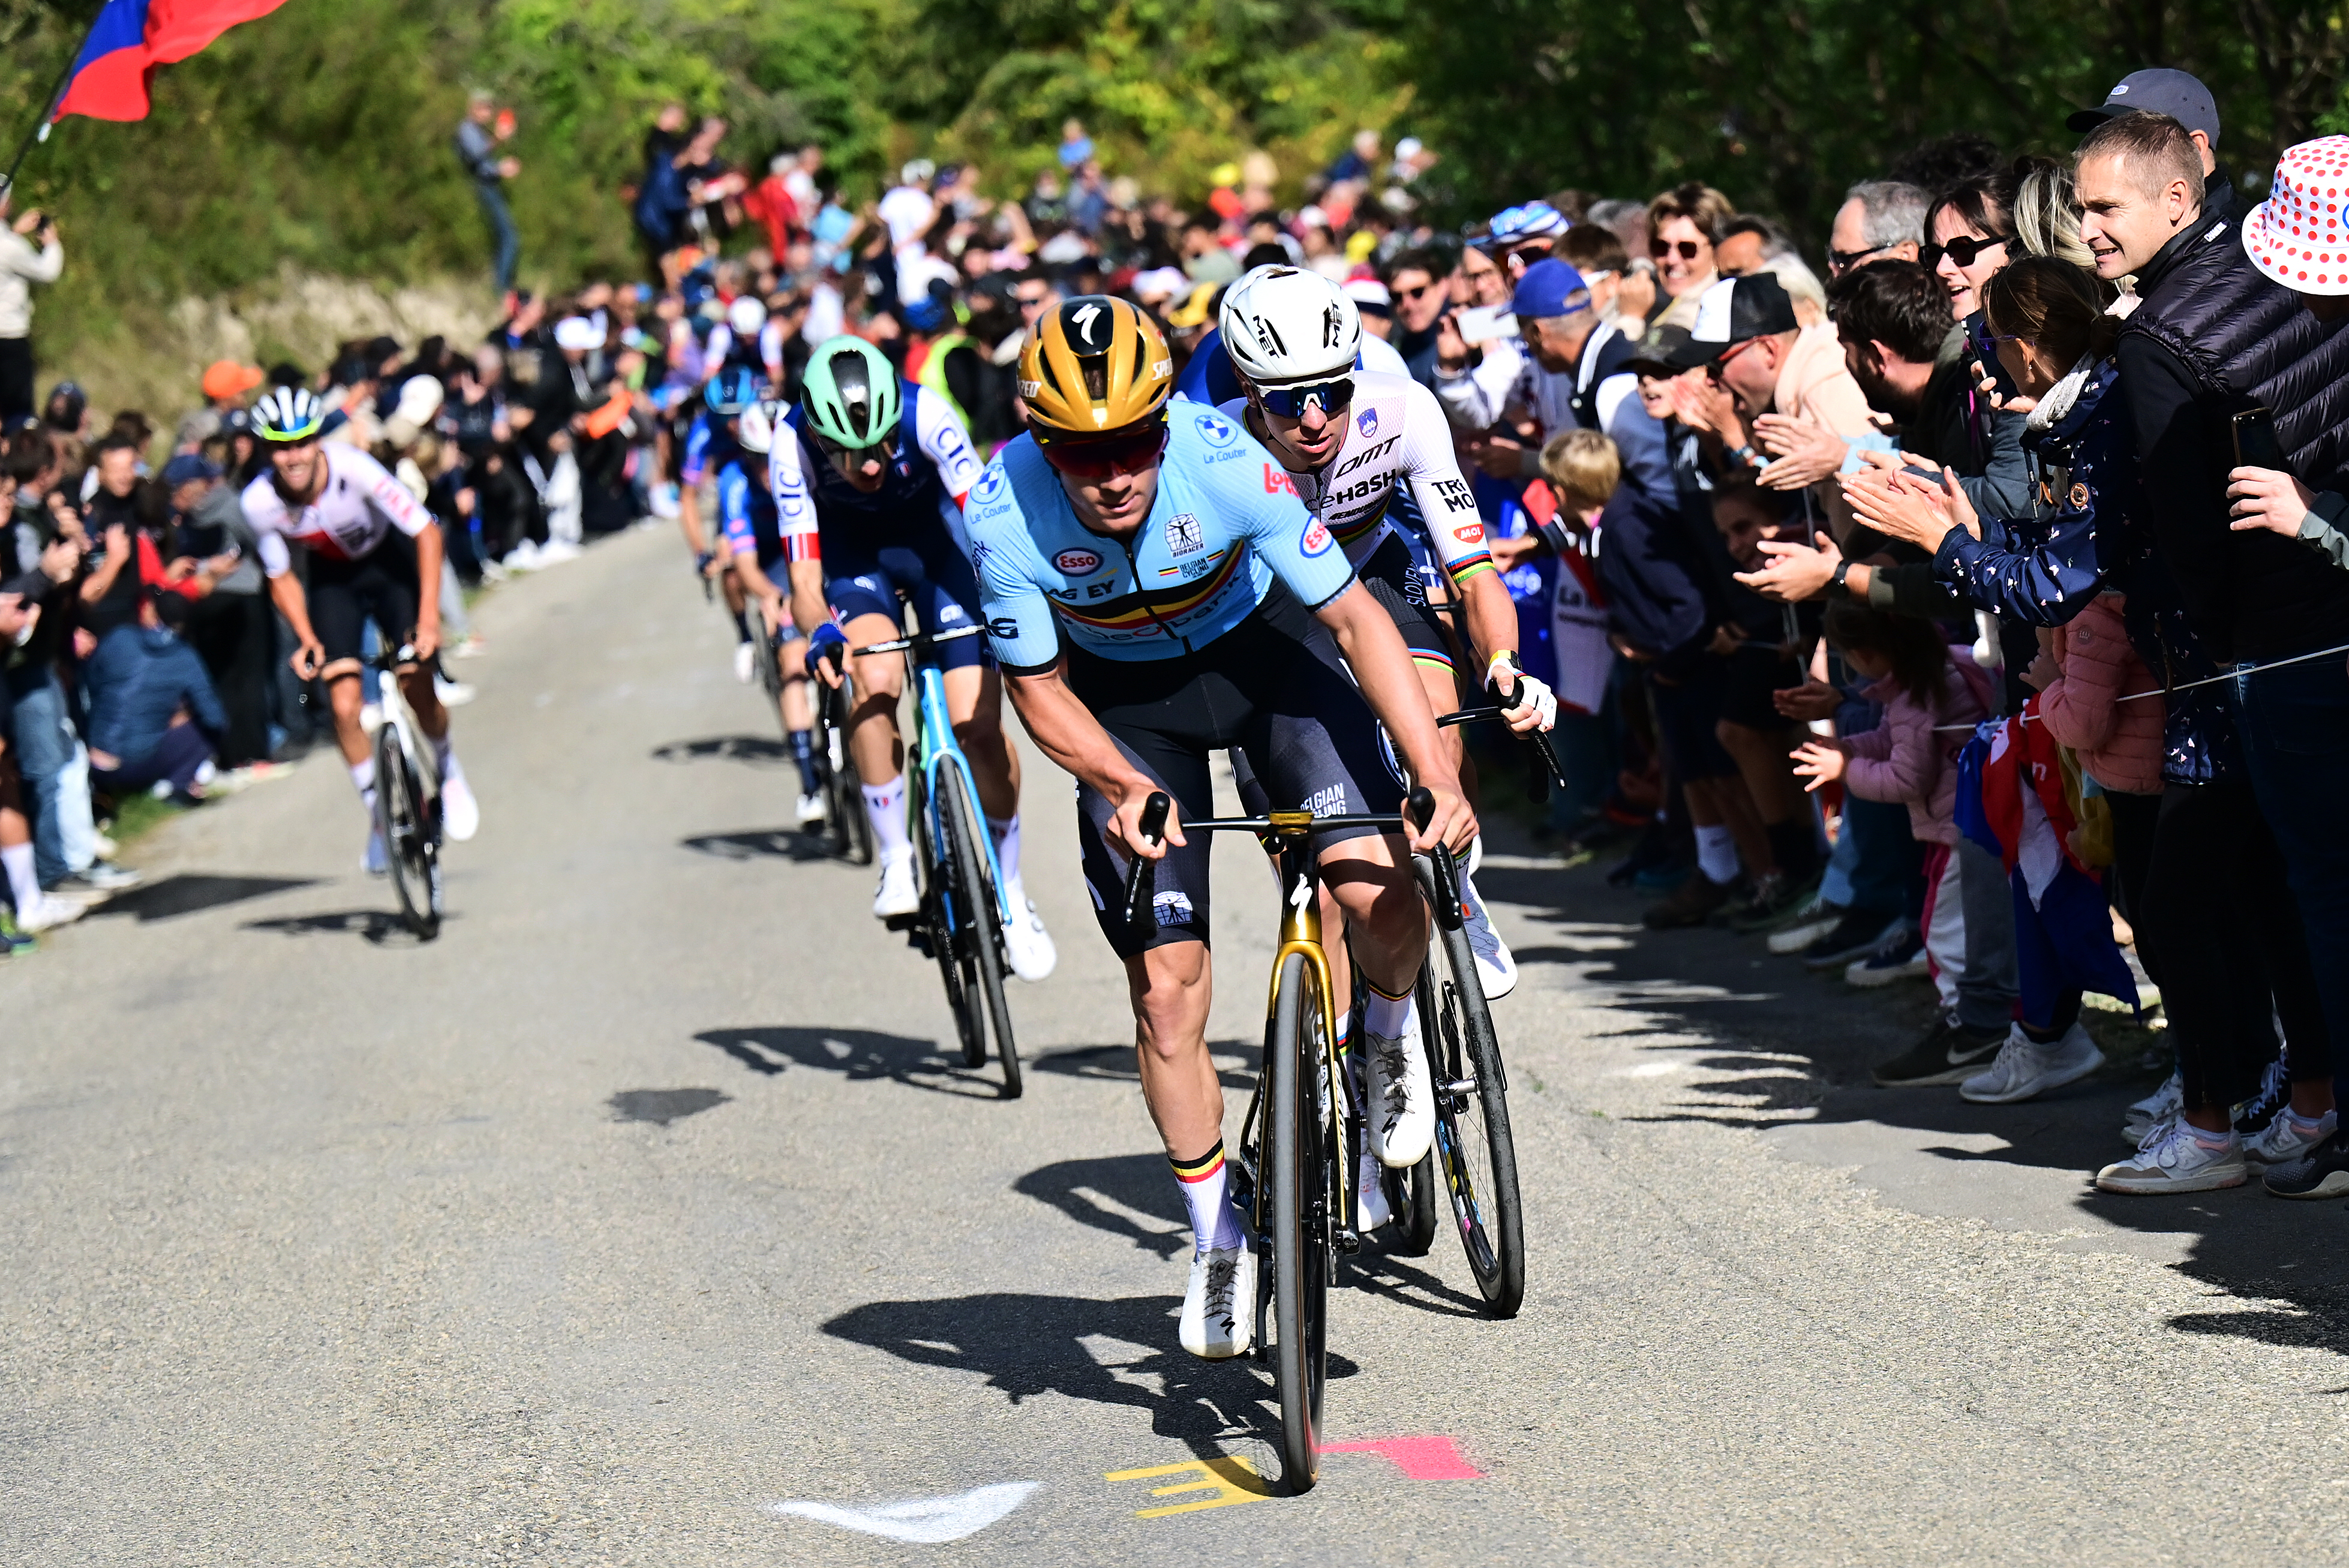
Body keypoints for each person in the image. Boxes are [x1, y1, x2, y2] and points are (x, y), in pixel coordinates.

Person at [963, 294, 1474, 1360]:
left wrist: (1433, 769)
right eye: (1083, 453)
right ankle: (1217, 1240)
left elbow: (1354, 618)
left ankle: (1384, 1041)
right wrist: (1117, 781)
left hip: (1267, 663)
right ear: (1043, 443)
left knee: (1381, 888)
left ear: (1165, 424)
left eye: (1133, 443)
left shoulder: (1226, 459)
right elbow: (1038, 689)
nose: (1114, 474)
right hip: (1128, 712)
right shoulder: (1002, 511)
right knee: (1166, 994)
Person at [1215, 265, 1555, 1001]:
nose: (1314, 420)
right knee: (1326, 890)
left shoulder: (1402, 409)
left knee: (1438, 726)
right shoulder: (1216, 447)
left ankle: (1455, 881)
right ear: (1248, 389)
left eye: (1332, 391)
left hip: (1371, 567)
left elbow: (1475, 573)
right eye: (1288, 400)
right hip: (1272, 601)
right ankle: (1344, 1041)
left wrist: (1504, 663)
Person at [777, 335, 1056, 981]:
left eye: (880, 446)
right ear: (818, 437)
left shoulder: (927, 412)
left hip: (937, 552)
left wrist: (1020, 593)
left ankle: (1012, 890)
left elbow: (985, 519)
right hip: (855, 562)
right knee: (874, 677)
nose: (870, 467)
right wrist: (820, 633)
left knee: (977, 728)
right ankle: (895, 856)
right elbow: (804, 582)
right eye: (848, 453)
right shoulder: (789, 444)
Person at [241, 387, 480, 870]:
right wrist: (307, 638)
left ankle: (448, 768)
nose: (294, 457)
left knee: (416, 682)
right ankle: (378, 815)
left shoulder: (353, 467)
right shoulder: (259, 502)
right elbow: (280, 576)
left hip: (390, 567)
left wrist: (429, 620)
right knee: (344, 706)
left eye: (302, 443)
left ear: (318, 441)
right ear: (266, 451)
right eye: (281, 448)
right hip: (335, 582)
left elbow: (426, 533)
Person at [718, 399, 824, 823]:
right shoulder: (735, 484)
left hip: (815, 552)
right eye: (758, 460)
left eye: (774, 457)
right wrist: (772, 597)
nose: (768, 470)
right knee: (792, 662)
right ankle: (810, 785)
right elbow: (746, 567)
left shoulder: (811, 466)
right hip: (771, 561)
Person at [83, 591, 224, 802]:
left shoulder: (118, 638)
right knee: (205, 730)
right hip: (135, 766)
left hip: (94, 761)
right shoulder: (185, 657)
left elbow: (92, 680)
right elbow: (215, 718)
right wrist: (179, 714)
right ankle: (175, 786)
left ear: (152, 611)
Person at [455, 92, 522, 298]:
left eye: (489, 108)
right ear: (472, 108)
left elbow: (484, 163)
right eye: (484, 107)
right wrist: (498, 140)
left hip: (489, 186)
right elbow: (475, 157)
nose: (488, 112)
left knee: (506, 237)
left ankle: (503, 287)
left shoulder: (478, 131)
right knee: (510, 238)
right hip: (482, 187)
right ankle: (501, 290)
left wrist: (501, 168)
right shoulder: (466, 129)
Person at [0, 195, 59, 421]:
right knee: (18, 415)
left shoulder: (9, 243)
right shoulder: (10, 247)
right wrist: (52, 244)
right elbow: (46, 272)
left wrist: (14, 233)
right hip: (9, 339)